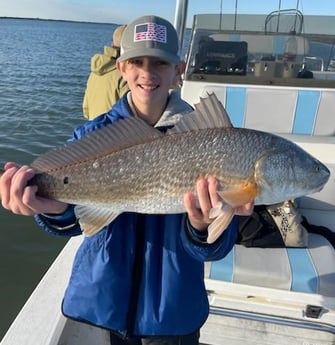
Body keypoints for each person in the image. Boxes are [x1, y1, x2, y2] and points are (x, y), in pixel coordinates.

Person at [0, 15, 253, 345]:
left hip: (171, 313)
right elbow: (78, 220)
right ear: (121, 68)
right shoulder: (92, 135)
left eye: (160, 62)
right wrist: (52, 209)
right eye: (137, 61)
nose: (147, 73)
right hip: (99, 302)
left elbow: (215, 248)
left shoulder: (214, 140)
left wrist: (201, 226)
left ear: (180, 70)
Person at [82, 24, 129, 120]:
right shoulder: (126, 75)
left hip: (93, 131)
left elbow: (86, 110)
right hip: (116, 133)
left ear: (112, 43)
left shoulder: (94, 73)